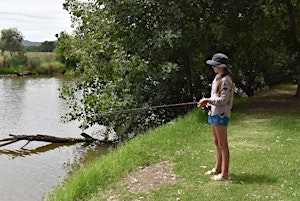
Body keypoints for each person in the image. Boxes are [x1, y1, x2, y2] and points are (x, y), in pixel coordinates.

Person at [197, 53, 234, 181]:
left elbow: (223, 100)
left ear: (221, 66)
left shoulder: (225, 81)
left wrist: (207, 100)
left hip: (221, 114)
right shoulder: (217, 78)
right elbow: (216, 97)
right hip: (213, 113)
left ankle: (224, 174)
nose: (213, 67)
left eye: (215, 65)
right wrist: (208, 104)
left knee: (223, 144)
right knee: (217, 142)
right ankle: (218, 168)